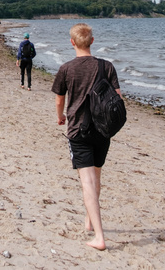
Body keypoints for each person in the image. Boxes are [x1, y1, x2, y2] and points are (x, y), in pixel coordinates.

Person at [50, 23, 122, 251]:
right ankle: (90, 220)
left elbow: (60, 99)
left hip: (78, 131)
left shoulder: (66, 68)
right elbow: (117, 98)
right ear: (92, 41)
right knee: (96, 176)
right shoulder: (107, 66)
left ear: (72, 42)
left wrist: (60, 117)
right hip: (103, 130)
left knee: (87, 181)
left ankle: (99, 236)